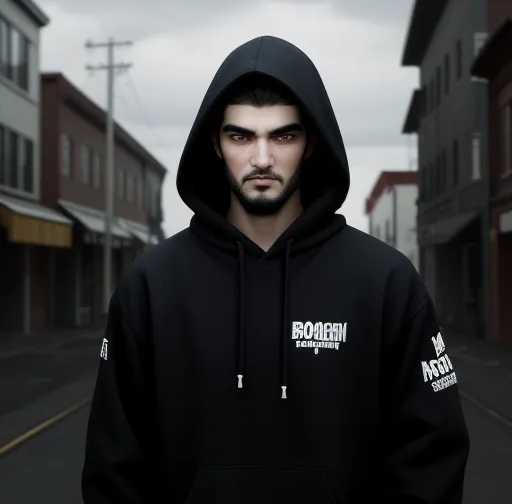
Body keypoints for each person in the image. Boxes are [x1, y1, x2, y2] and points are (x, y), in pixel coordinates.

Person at [82, 35, 470, 503]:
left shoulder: (385, 282)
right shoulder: (151, 286)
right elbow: (114, 465)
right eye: (241, 135)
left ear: (310, 142)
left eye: (283, 135)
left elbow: (431, 456)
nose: (261, 158)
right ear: (214, 140)